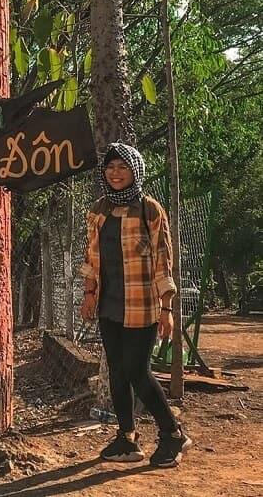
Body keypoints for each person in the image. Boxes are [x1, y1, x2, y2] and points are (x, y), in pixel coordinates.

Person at [80, 142, 193, 468]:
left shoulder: (149, 209)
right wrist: (89, 293)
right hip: (108, 303)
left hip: (141, 304)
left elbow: (163, 260)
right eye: (111, 167)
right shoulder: (99, 209)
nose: (116, 173)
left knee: (137, 371)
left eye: (123, 167)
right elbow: (91, 256)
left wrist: (167, 308)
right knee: (116, 370)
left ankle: (173, 434)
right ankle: (127, 439)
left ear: (135, 171)